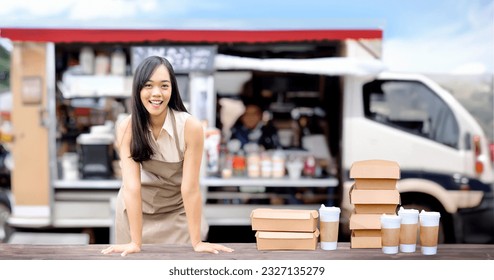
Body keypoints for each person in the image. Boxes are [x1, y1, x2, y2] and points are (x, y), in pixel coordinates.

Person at [101, 56, 233, 256]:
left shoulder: (190, 127)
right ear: (137, 90)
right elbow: (132, 187)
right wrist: (136, 242)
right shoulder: (126, 127)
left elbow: (190, 188)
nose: (156, 93)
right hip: (136, 211)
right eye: (148, 85)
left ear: (173, 89)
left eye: (164, 86)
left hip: (177, 212)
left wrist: (197, 242)